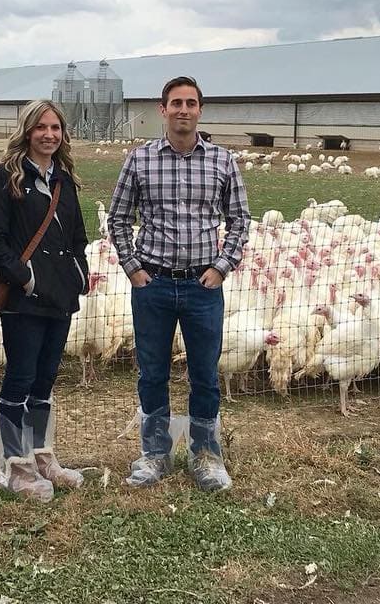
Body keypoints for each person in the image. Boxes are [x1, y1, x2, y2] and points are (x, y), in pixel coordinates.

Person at [107, 76, 250, 491]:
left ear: (200, 110)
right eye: (176, 103)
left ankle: (206, 455)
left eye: (190, 103)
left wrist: (221, 266)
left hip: (202, 286)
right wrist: (133, 267)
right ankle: (155, 453)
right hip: (153, 284)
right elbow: (119, 218)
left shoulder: (222, 161)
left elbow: (240, 219)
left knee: (204, 373)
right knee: (152, 372)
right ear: (163, 109)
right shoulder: (140, 159)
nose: (183, 110)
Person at [0, 99, 89, 502]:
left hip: (60, 295)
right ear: (27, 131)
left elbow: (77, 235)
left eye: (55, 128)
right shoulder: (6, 178)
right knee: (20, 377)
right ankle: (15, 464)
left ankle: (43, 456)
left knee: (45, 377)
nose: (49, 135)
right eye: (41, 127)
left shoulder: (64, 179)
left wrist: (79, 272)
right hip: (24, 299)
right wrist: (25, 278)